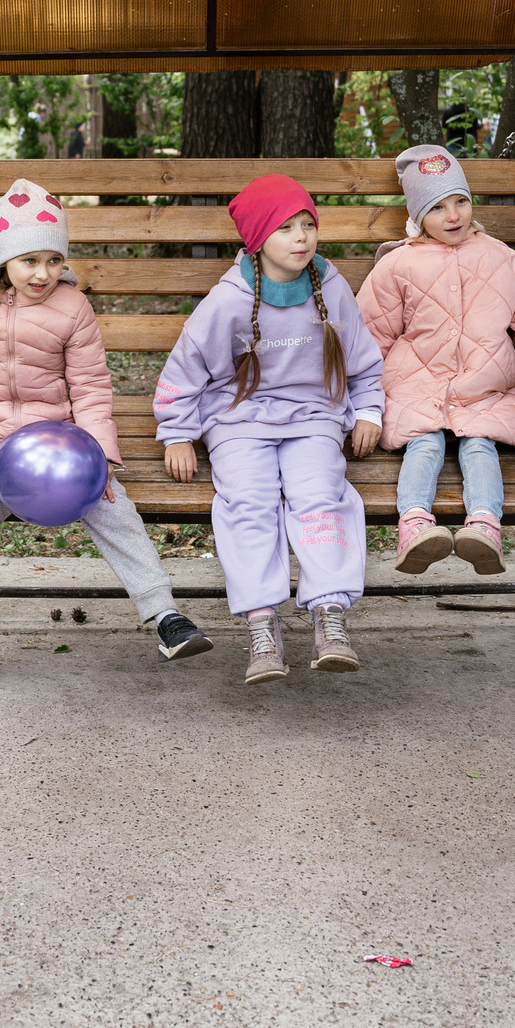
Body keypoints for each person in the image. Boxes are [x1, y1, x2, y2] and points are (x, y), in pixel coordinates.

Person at [0, 178, 212, 666]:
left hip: (65, 447)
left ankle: (165, 614)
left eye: (54, 260)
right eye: (29, 261)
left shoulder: (73, 306)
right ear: (4, 258)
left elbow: (90, 387)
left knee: (113, 509)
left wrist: (100, 455)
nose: (43, 273)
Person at [155, 174, 384, 685]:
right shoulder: (229, 300)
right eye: (285, 228)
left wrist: (368, 411)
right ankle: (262, 623)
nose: (301, 238)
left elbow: (363, 363)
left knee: (319, 493)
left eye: (308, 225)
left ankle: (329, 614)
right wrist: (176, 432)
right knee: (249, 500)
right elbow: (185, 371)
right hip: (239, 421)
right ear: (257, 240)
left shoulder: (332, 287)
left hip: (313, 417)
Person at [361, 145, 515, 576]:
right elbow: (369, 334)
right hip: (416, 388)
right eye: (438, 206)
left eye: (460, 200)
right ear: (417, 215)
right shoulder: (397, 265)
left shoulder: (498, 256)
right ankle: (415, 527)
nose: (453, 215)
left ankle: (484, 526)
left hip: (487, 387)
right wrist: (358, 401)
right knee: (422, 444)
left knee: (479, 445)